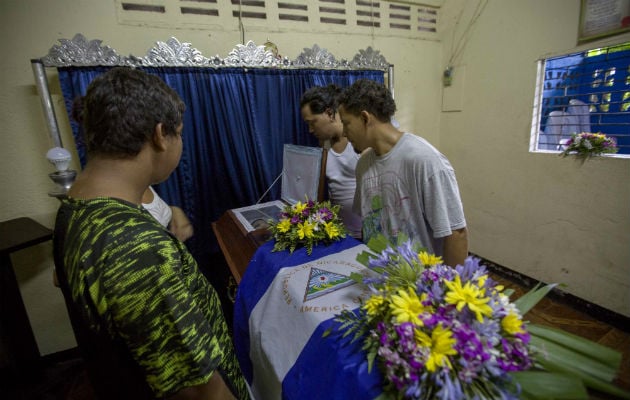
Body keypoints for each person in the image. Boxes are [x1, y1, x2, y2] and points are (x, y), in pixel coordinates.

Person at [52, 67, 248, 399]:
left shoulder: (74, 208)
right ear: (160, 135)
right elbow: (200, 392)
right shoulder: (137, 247)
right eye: (179, 133)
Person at [338, 79, 468, 267]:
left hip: (421, 285)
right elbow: (369, 224)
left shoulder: (424, 160)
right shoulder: (363, 165)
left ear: (365, 118)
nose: (343, 133)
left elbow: (457, 233)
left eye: (346, 123)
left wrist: (448, 290)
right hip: (380, 279)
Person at [300, 84, 362, 238]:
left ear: (329, 113)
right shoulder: (324, 142)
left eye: (312, 122)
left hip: (365, 232)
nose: (310, 130)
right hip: (337, 231)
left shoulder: (359, 142)